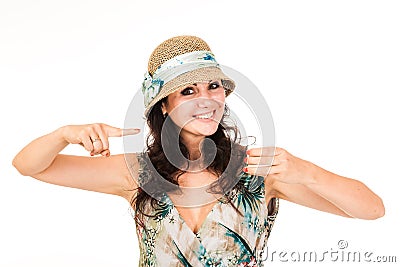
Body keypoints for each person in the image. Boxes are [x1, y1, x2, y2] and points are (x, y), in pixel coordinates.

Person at [12, 35, 384, 267]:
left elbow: (371, 210)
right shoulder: (137, 174)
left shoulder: (255, 170)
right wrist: (65, 133)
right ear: (164, 105)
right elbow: (29, 166)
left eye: (213, 87)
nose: (205, 100)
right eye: (188, 91)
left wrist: (306, 171)